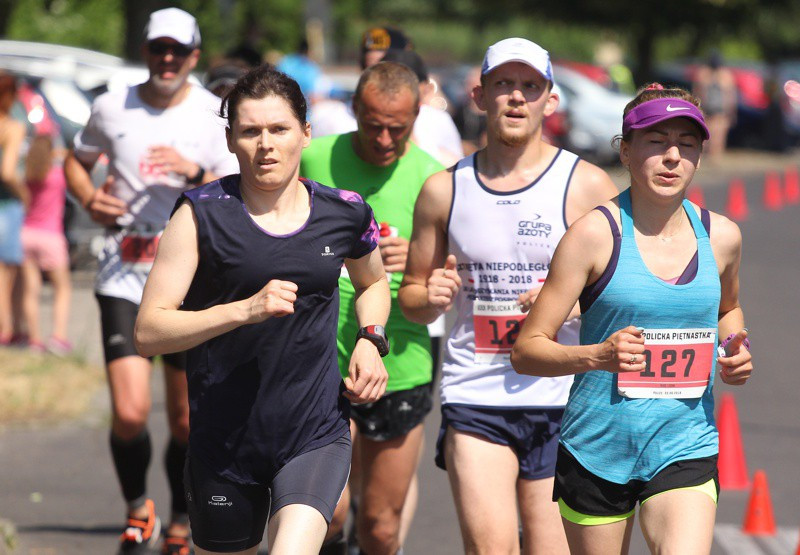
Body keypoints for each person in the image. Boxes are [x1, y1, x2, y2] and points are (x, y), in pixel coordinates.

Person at [133, 64, 390, 555]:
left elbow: (373, 281)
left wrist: (371, 338)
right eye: (250, 131)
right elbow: (149, 331)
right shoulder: (200, 214)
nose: (265, 144)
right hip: (223, 442)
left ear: (306, 134)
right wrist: (242, 311)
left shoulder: (346, 212)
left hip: (313, 432)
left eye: (279, 129)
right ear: (231, 141)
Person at [510, 83, 752, 554]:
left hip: (685, 443)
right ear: (625, 151)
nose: (672, 157)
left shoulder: (722, 237)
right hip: (598, 448)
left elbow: (728, 309)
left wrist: (735, 346)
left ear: (699, 156)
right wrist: (597, 356)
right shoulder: (592, 236)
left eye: (686, 144)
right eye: (656, 142)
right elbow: (527, 350)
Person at [398, 37, 618, 554]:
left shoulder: (586, 185)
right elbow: (410, 295)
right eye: (503, 85)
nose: (516, 97)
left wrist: (569, 301)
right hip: (475, 394)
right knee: (491, 548)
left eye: (529, 86)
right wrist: (426, 295)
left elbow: (627, 292)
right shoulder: (443, 190)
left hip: (564, 397)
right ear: (480, 96)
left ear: (551, 100)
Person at [64, 8, 239, 554]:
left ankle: (181, 521)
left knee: (187, 419)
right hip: (123, 272)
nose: (167, 59)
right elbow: (77, 162)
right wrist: (90, 197)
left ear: (194, 56)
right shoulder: (111, 106)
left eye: (178, 51)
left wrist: (193, 174)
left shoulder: (215, 114)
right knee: (130, 410)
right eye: (157, 48)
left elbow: (239, 188)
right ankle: (139, 510)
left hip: (191, 279)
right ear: (146, 51)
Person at [300, 61, 442, 555]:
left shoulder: (433, 178)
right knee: (327, 511)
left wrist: (427, 259)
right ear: (355, 109)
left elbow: (460, 268)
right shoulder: (313, 158)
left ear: (417, 116)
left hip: (399, 361)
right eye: (373, 125)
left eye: (397, 129)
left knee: (380, 527)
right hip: (317, 360)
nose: (383, 140)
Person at [19, 134, 72, 354]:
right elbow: (75, 158)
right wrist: (58, 153)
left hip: (26, 235)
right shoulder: (57, 176)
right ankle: (58, 336)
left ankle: (34, 339)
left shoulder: (27, 177)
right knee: (62, 288)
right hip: (50, 237)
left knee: (31, 290)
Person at [0, 71, 27, 346]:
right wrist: (26, 195)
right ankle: (7, 329)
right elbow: (8, 172)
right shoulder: (12, 126)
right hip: (6, 205)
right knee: (6, 273)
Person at [692, 51, 736, 160]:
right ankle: (715, 156)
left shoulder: (702, 73)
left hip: (708, 107)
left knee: (706, 133)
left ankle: (707, 155)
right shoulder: (726, 75)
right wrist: (732, 112)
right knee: (718, 135)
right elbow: (730, 96)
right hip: (719, 109)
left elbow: (696, 92)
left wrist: (696, 107)